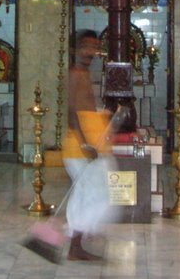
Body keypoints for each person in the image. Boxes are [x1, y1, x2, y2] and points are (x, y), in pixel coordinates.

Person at [62, 29, 115, 261]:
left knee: (87, 194)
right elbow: (72, 113)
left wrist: (102, 116)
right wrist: (85, 145)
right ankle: (76, 243)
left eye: (94, 47)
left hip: (90, 145)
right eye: (86, 46)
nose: (91, 52)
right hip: (80, 148)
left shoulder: (83, 73)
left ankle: (79, 237)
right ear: (75, 49)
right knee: (97, 195)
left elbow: (84, 110)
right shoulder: (75, 74)